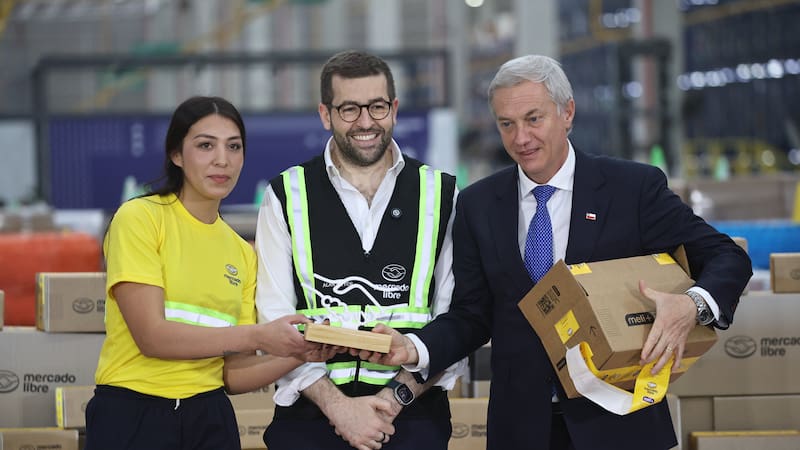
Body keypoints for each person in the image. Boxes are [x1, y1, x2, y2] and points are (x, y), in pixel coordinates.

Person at [360, 55, 753, 449]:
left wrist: (691, 306)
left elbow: (726, 256)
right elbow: (472, 315)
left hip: (621, 425)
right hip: (522, 430)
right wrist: (414, 346)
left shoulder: (631, 189)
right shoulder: (478, 205)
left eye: (534, 119)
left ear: (567, 113)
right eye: (507, 124)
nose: (521, 138)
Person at [84, 96, 325, 450]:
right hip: (133, 412)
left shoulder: (242, 253)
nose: (222, 160)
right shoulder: (140, 219)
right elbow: (152, 337)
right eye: (205, 145)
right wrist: (259, 336)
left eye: (234, 147)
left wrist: (302, 353)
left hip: (210, 417)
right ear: (176, 154)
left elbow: (234, 375)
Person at [254, 50, 467, 450]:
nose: (366, 122)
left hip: (412, 420)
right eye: (349, 109)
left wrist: (393, 399)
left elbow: (456, 319)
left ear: (394, 109)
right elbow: (274, 320)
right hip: (309, 422)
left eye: (377, 106)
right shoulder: (286, 194)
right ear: (325, 114)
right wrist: (339, 408)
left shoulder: (442, 194)